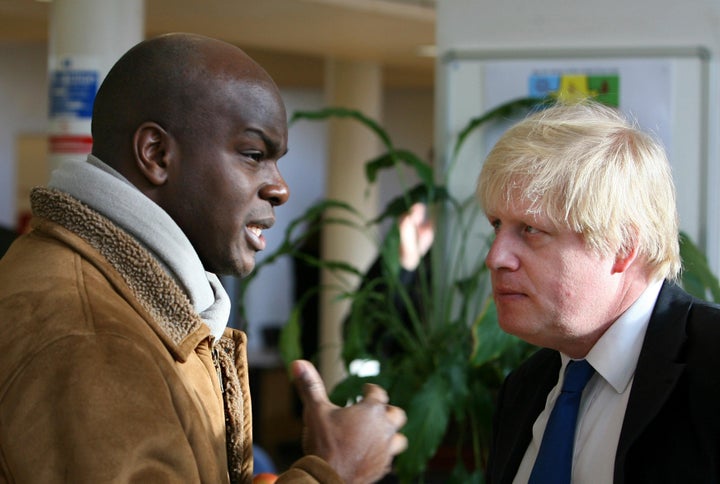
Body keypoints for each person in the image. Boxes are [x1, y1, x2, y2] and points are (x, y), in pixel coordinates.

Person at [0, 33, 407, 483]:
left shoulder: (116, 299)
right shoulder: (88, 331)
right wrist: (335, 471)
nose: (281, 188)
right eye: (254, 154)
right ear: (156, 154)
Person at [478, 101, 720, 483]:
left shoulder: (711, 365)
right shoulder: (524, 388)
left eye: (530, 229)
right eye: (496, 225)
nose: (496, 258)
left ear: (622, 247)